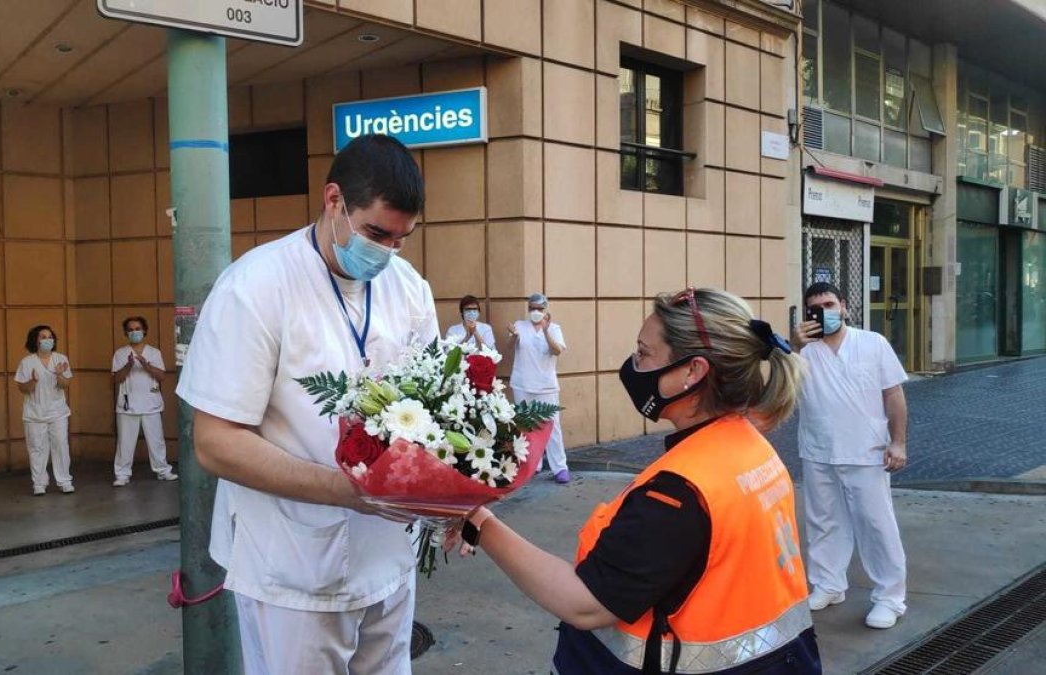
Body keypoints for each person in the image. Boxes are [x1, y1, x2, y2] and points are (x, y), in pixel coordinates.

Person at [177, 135, 438, 675]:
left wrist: (453, 498)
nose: (388, 253)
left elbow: (434, 409)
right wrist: (347, 491)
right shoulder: (255, 286)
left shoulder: (408, 288)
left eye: (402, 239)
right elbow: (216, 443)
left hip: (389, 556)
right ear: (334, 201)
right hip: (291, 567)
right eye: (375, 234)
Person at [459, 288, 821, 674]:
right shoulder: (750, 446)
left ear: (693, 372)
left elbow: (584, 604)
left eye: (644, 353)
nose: (633, 364)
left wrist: (478, 523)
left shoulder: (679, 494)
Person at [792, 282, 909, 630]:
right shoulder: (802, 353)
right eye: (816, 307)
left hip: (866, 451)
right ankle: (828, 584)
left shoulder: (872, 344)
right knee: (823, 522)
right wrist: (793, 347)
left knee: (876, 525)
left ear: (844, 306)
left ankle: (890, 597)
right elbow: (777, 389)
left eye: (829, 304)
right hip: (818, 451)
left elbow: (894, 394)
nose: (824, 312)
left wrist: (898, 442)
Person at [506, 293, 569, 484]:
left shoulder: (554, 328)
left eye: (539, 309)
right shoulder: (520, 326)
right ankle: (533, 465)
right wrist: (514, 336)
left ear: (546, 310)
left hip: (546, 386)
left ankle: (560, 467)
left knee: (552, 427)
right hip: (522, 384)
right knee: (526, 426)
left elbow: (557, 350)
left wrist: (546, 330)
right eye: (532, 308)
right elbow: (510, 347)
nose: (535, 312)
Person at [111, 316, 177, 486]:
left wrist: (146, 365)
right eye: (131, 329)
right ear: (126, 332)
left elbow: (162, 376)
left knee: (156, 441)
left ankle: (163, 470)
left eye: (138, 328)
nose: (135, 332)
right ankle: (122, 474)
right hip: (128, 405)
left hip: (151, 403)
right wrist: (128, 366)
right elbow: (116, 378)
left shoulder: (154, 352)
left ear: (144, 330)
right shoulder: (120, 353)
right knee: (125, 442)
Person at [14, 325, 74, 496]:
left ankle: (64, 481)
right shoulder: (27, 362)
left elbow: (66, 385)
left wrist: (60, 375)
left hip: (58, 412)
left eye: (49, 336)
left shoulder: (61, 359)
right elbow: (22, 388)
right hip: (34, 413)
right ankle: (39, 483)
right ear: (36, 340)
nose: (47, 340)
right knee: (37, 448)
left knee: (61, 445)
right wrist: (32, 381)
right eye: (43, 337)